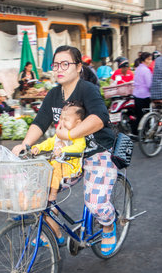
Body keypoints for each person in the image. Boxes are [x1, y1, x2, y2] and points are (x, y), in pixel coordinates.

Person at [13, 45, 117, 256]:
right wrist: (25, 144)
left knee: (96, 203)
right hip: (68, 156)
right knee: (38, 192)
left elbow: (99, 118)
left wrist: (70, 135)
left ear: (78, 67)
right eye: (56, 64)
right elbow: (40, 122)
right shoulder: (53, 94)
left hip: (98, 152)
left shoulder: (87, 89)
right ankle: (56, 230)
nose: (59, 68)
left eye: (65, 64)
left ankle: (108, 226)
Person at [31, 102, 86, 245]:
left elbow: (79, 147)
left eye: (66, 120)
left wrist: (63, 150)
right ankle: (56, 235)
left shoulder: (77, 137)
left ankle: (53, 193)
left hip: (70, 170)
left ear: (78, 123)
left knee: (54, 166)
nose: (62, 122)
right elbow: (49, 143)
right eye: (60, 118)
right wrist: (37, 147)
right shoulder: (58, 136)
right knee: (39, 168)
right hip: (56, 172)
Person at [133, 52, 152, 135]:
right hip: (145, 95)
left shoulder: (138, 69)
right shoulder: (146, 70)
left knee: (139, 115)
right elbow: (149, 84)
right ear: (145, 60)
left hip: (136, 94)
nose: (151, 61)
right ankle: (145, 132)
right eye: (149, 59)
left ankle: (136, 132)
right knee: (145, 115)